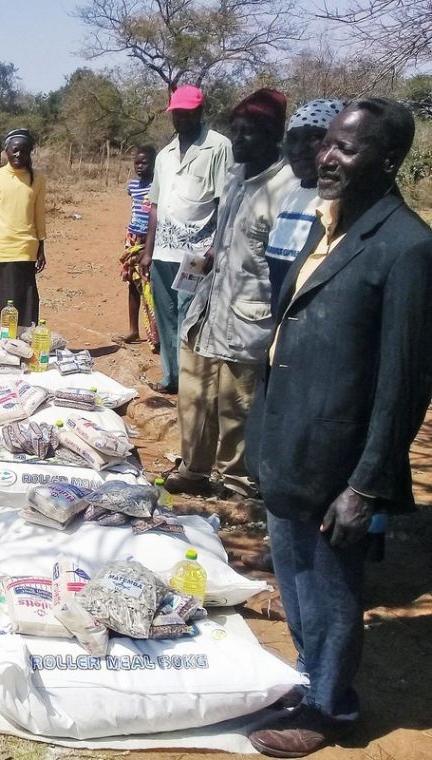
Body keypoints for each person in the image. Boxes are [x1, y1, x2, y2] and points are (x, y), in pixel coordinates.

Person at [246, 98, 432, 757]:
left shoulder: (407, 248)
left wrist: (366, 484)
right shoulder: (323, 228)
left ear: (386, 160)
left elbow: (403, 383)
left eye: (345, 149)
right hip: (286, 445)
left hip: (337, 462)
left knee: (328, 593)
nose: (326, 156)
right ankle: (309, 678)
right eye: (327, 143)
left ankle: (331, 709)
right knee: (294, 583)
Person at [166, 88, 297, 499]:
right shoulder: (235, 176)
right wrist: (208, 256)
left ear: (274, 136)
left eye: (251, 132)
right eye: (236, 130)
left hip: (248, 317)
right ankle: (195, 469)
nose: (239, 140)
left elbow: (288, 266)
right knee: (195, 394)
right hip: (209, 304)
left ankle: (237, 482)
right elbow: (224, 238)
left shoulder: (287, 189)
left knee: (236, 403)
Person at [241, 97, 345, 574]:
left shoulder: (335, 205)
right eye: (296, 141)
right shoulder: (294, 198)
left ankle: (316, 562)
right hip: (278, 339)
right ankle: (281, 546)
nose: (303, 151)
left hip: (313, 351)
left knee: (306, 461)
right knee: (272, 452)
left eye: (314, 140)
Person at [139, 85, 233, 394]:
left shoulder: (218, 147)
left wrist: (213, 248)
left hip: (195, 253)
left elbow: (225, 203)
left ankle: (191, 382)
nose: (180, 119)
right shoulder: (165, 154)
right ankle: (171, 378)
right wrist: (147, 250)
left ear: (200, 112)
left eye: (187, 113)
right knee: (165, 316)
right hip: (163, 252)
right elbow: (155, 205)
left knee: (187, 314)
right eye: (176, 113)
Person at [263, 99, 346, 313]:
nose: (298, 149)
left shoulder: (342, 203)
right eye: (292, 139)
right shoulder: (290, 194)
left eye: (313, 138)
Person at [0, 128, 47, 329]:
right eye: (15, 150)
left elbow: (39, 215)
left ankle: (22, 347)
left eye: (24, 151)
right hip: (0, 249)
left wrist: (41, 247)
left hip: (26, 249)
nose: (19, 155)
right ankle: (0, 348)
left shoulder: (38, 179)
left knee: (24, 301)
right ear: (6, 150)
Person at [114, 145, 159, 347]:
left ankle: (155, 335)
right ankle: (133, 330)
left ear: (154, 164)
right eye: (137, 162)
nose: (140, 166)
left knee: (149, 287)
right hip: (132, 238)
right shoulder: (132, 186)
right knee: (132, 284)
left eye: (145, 162)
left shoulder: (157, 187)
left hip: (149, 240)